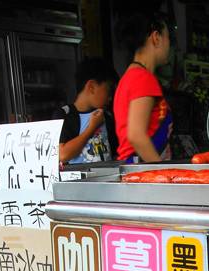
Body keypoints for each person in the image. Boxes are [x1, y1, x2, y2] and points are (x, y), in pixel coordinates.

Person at [113, 12, 173, 163]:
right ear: (156, 38)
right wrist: (163, 175)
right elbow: (136, 135)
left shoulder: (129, 77)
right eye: (168, 38)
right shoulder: (143, 78)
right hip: (143, 174)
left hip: (136, 171)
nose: (169, 46)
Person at [52, 57, 119, 165]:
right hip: (77, 181)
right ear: (91, 87)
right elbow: (63, 155)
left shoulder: (107, 116)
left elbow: (115, 154)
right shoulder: (65, 115)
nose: (110, 97)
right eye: (108, 90)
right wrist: (91, 128)